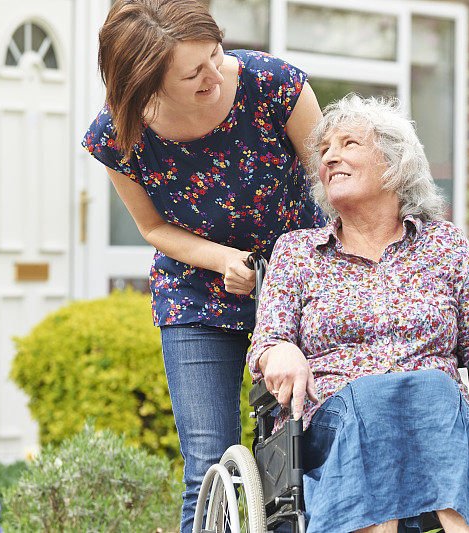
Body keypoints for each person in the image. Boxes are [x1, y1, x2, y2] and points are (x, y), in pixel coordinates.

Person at [248, 95, 469, 533]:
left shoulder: (444, 245)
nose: (330, 155)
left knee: (432, 390)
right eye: (325, 149)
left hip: (440, 422)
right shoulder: (297, 252)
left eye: (349, 143)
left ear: (394, 163)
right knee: (374, 396)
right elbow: (268, 341)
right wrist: (279, 353)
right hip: (337, 423)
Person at [81, 1, 325, 531]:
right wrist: (224, 262)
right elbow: (153, 228)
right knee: (209, 467)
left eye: (215, 54)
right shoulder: (117, 134)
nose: (216, 74)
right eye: (193, 73)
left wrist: (288, 270)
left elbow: (334, 190)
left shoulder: (273, 85)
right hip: (196, 292)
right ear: (147, 85)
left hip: (298, 286)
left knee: (309, 451)